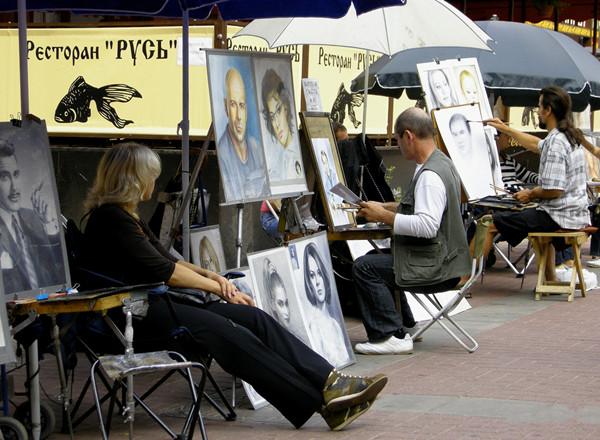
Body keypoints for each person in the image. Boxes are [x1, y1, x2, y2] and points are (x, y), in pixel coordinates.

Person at [81, 142, 388, 431]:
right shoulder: (110, 219)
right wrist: (216, 289)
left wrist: (216, 279)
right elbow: (166, 271)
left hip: (158, 304)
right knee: (226, 333)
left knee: (253, 318)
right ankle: (325, 406)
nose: (153, 184)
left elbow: (168, 258)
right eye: (150, 177)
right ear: (134, 180)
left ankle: (331, 381)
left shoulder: (126, 215)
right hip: (133, 316)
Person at [352, 108, 471, 355]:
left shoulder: (429, 175)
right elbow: (422, 208)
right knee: (376, 261)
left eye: (396, 139)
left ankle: (387, 335)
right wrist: (385, 206)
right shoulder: (441, 163)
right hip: (445, 260)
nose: (397, 145)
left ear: (408, 136)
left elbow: (427, 226)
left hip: (437, 267)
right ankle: (405, 325)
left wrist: (383, 216)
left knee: (364, 267)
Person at [484, 86, 590, 281]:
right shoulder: (567, 137)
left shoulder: (557, 142)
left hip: (560, 216)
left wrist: (530, 194)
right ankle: (549, 279)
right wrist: (505, 128)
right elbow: (535, 144)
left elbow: (554, 190)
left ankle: (464, 279)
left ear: (548, 110)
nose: (537, 111)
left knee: (488, 224)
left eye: (539, 107)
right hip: (573, 213)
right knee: (536, 219)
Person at [0, 138, 64, 295]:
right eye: (4, 177)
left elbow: (58, 271)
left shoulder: (33, 217)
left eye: (15, 174)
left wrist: (49, 225)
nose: (15, 187)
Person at [217, 68, 267, 201]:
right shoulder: (223, 152)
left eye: (242, 105)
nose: (239, 116)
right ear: (225, 107)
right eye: (233, 105)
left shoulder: (255, 147)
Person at [303, 242, 350, 367]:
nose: (318, 282)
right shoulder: (314, 326)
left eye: (319, 273)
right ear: (308, 281)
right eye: (312, 275)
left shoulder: (334, 323)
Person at [261, 69, 303, 181]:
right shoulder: (275, 158)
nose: (276, 124)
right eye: (272, 116)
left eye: (278, 110)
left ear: (286, 108)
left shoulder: (298, 154)